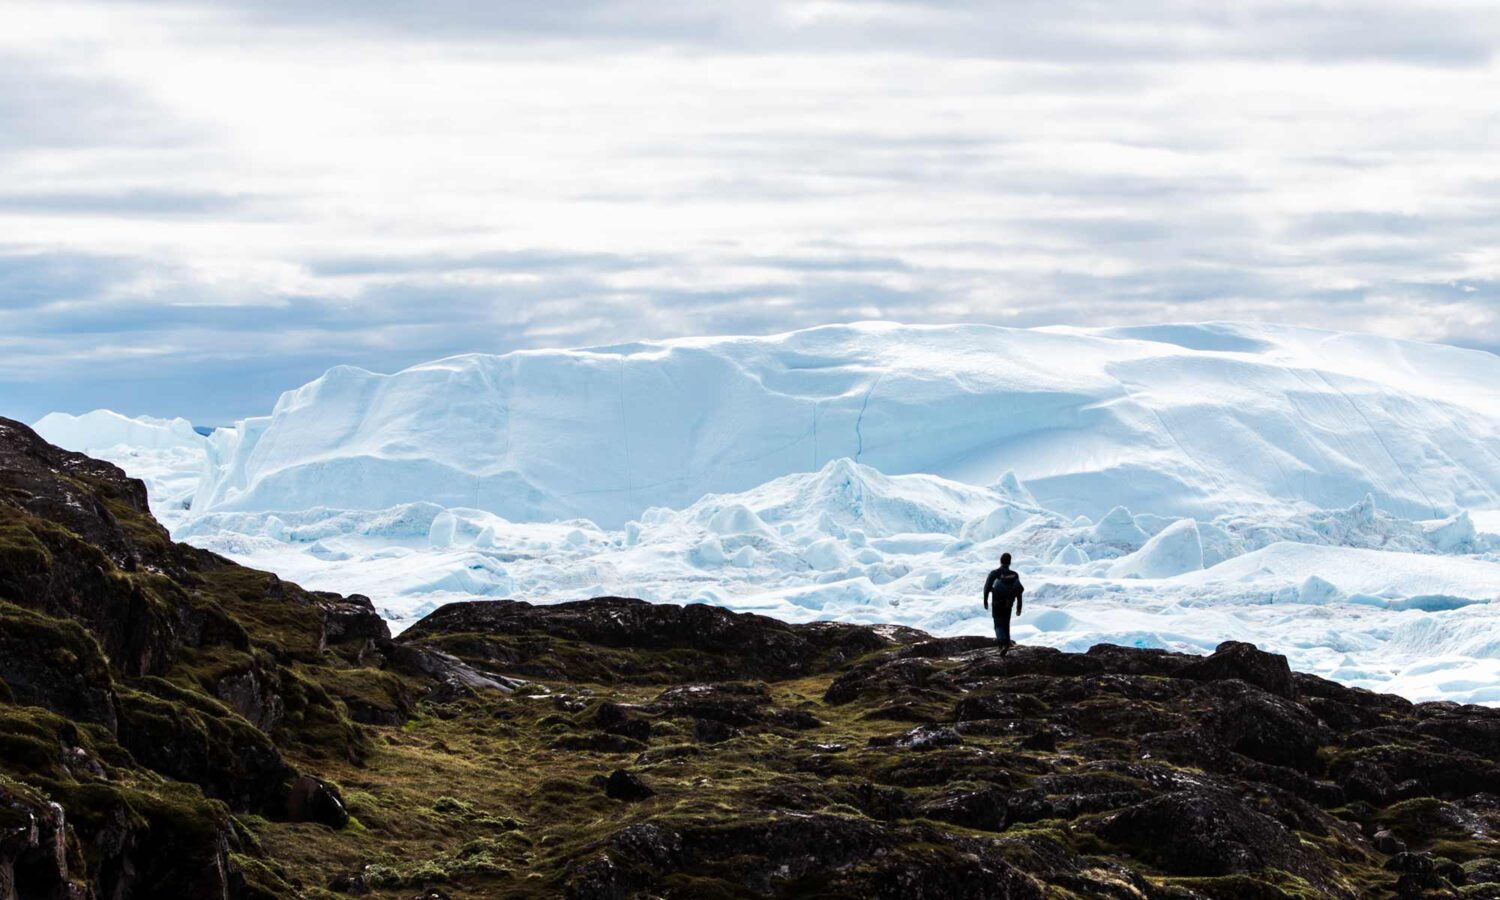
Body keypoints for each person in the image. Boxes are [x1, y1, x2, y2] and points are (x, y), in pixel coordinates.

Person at [983, 552, 1024, 655]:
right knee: (1006, 624)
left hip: (997, 603)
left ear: (1000, 561)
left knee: (998, 625)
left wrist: (985, 600)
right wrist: (1019, 607)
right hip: (1009, 604)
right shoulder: (1014, 575)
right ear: (1010, 562)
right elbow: (1018, 591)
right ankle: (1006, 645)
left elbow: (987, 587)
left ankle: (1002, 644)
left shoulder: (994, 573)